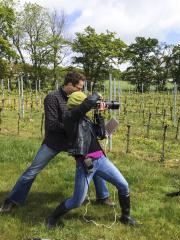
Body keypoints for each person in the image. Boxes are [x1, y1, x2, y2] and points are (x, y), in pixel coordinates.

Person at [0, 72, 113, 213]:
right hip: (55, 141)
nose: (81, 91)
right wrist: (71, 127)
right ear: (69, 84)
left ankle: (103, 196)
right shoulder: (53, 98)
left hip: (76, 140)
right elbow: (52, 124)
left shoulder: (78, 97)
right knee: (33, 170)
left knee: (94, 162)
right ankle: (12, 200)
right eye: (79, 87)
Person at [46, 91, 136, 229]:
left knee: (123, 185)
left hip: (101, 160)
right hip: (86, 164)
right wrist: (96, 95)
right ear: (79, 104)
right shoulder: (69, 117)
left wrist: (98, 115)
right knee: (77, 201)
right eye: (87, 103)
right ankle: (52, 217)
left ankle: (126, 217)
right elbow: (85, 105)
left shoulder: (85, 118)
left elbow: (100, 134)